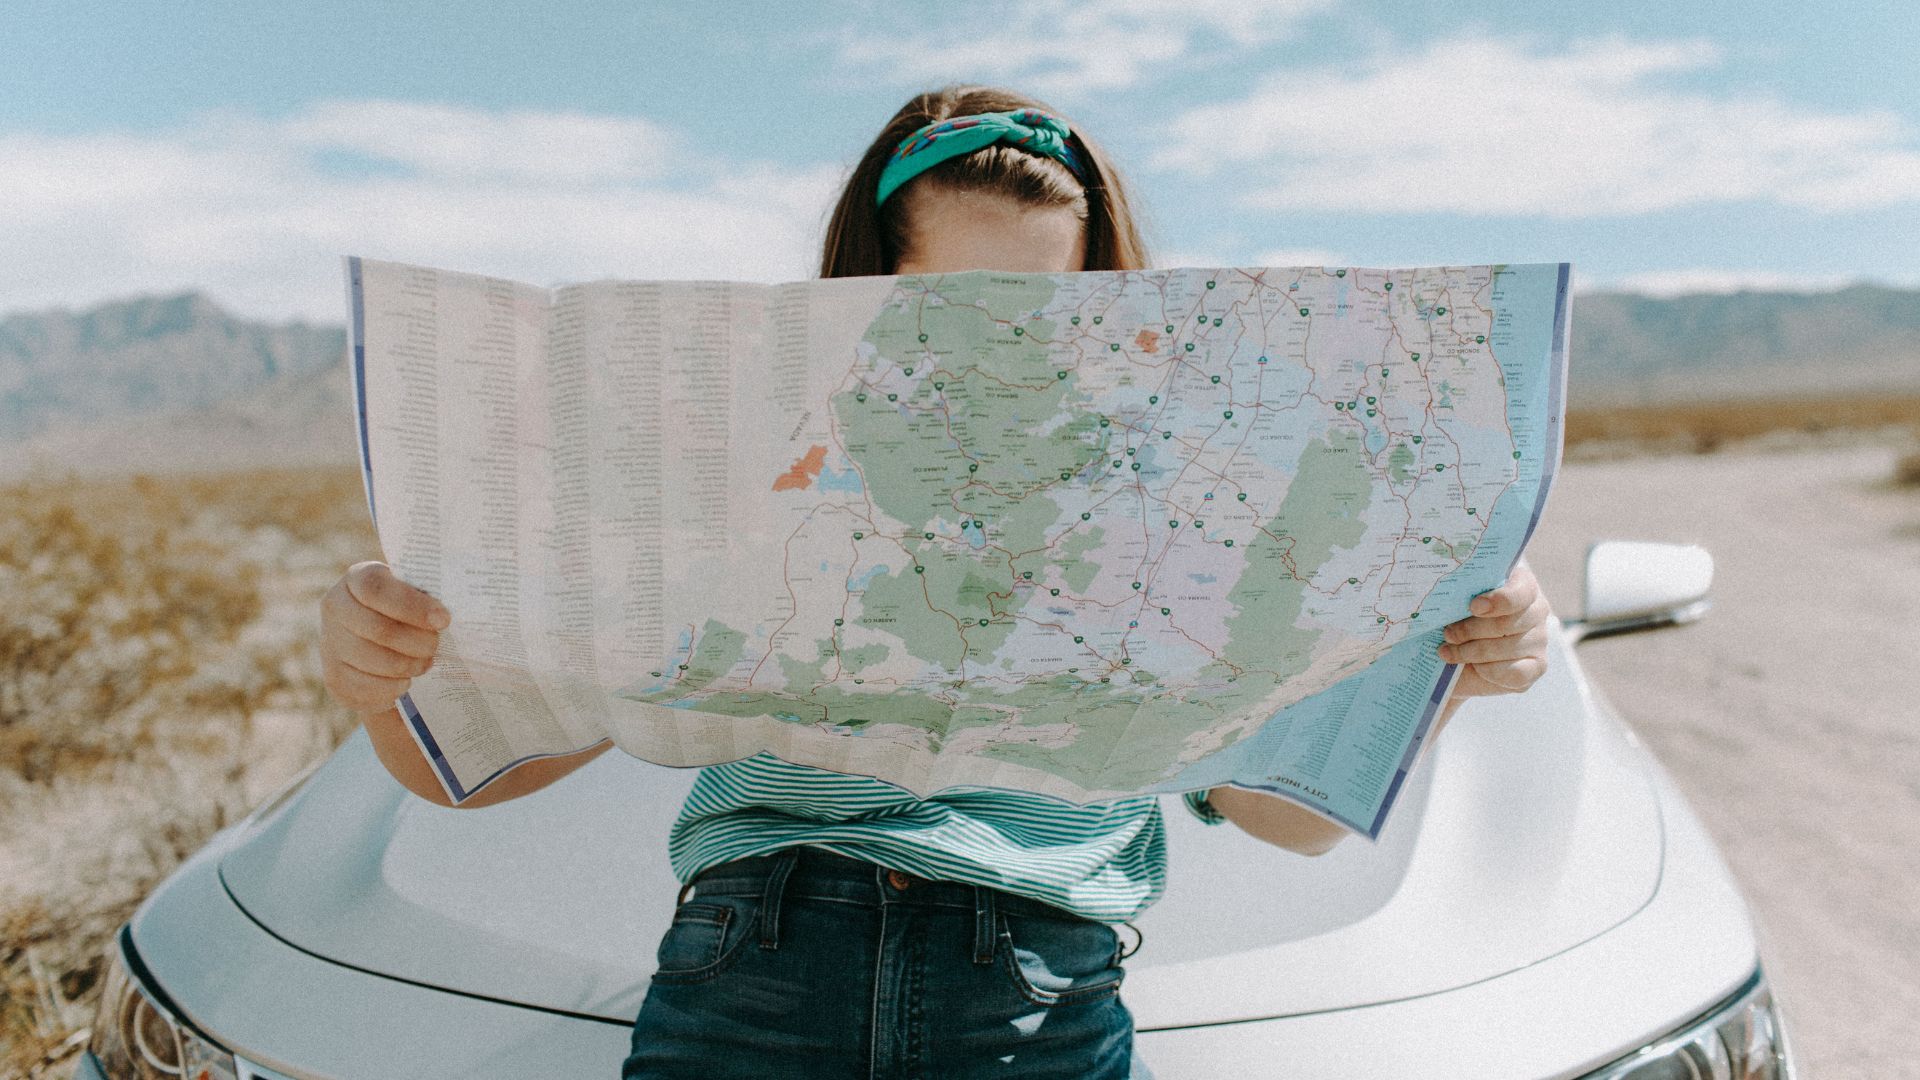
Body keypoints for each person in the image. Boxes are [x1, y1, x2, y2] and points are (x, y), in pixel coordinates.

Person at [318, 84, 1553, 1080]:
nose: (991, 345)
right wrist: (385, 675)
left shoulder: (1188, 495)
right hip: (753, 962)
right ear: (864, 293)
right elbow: (473, 774)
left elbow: (1289, 820)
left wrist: (1440, 671)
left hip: (1036, 995)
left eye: (1039, 309)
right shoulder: (743, 459)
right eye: (948, 305)